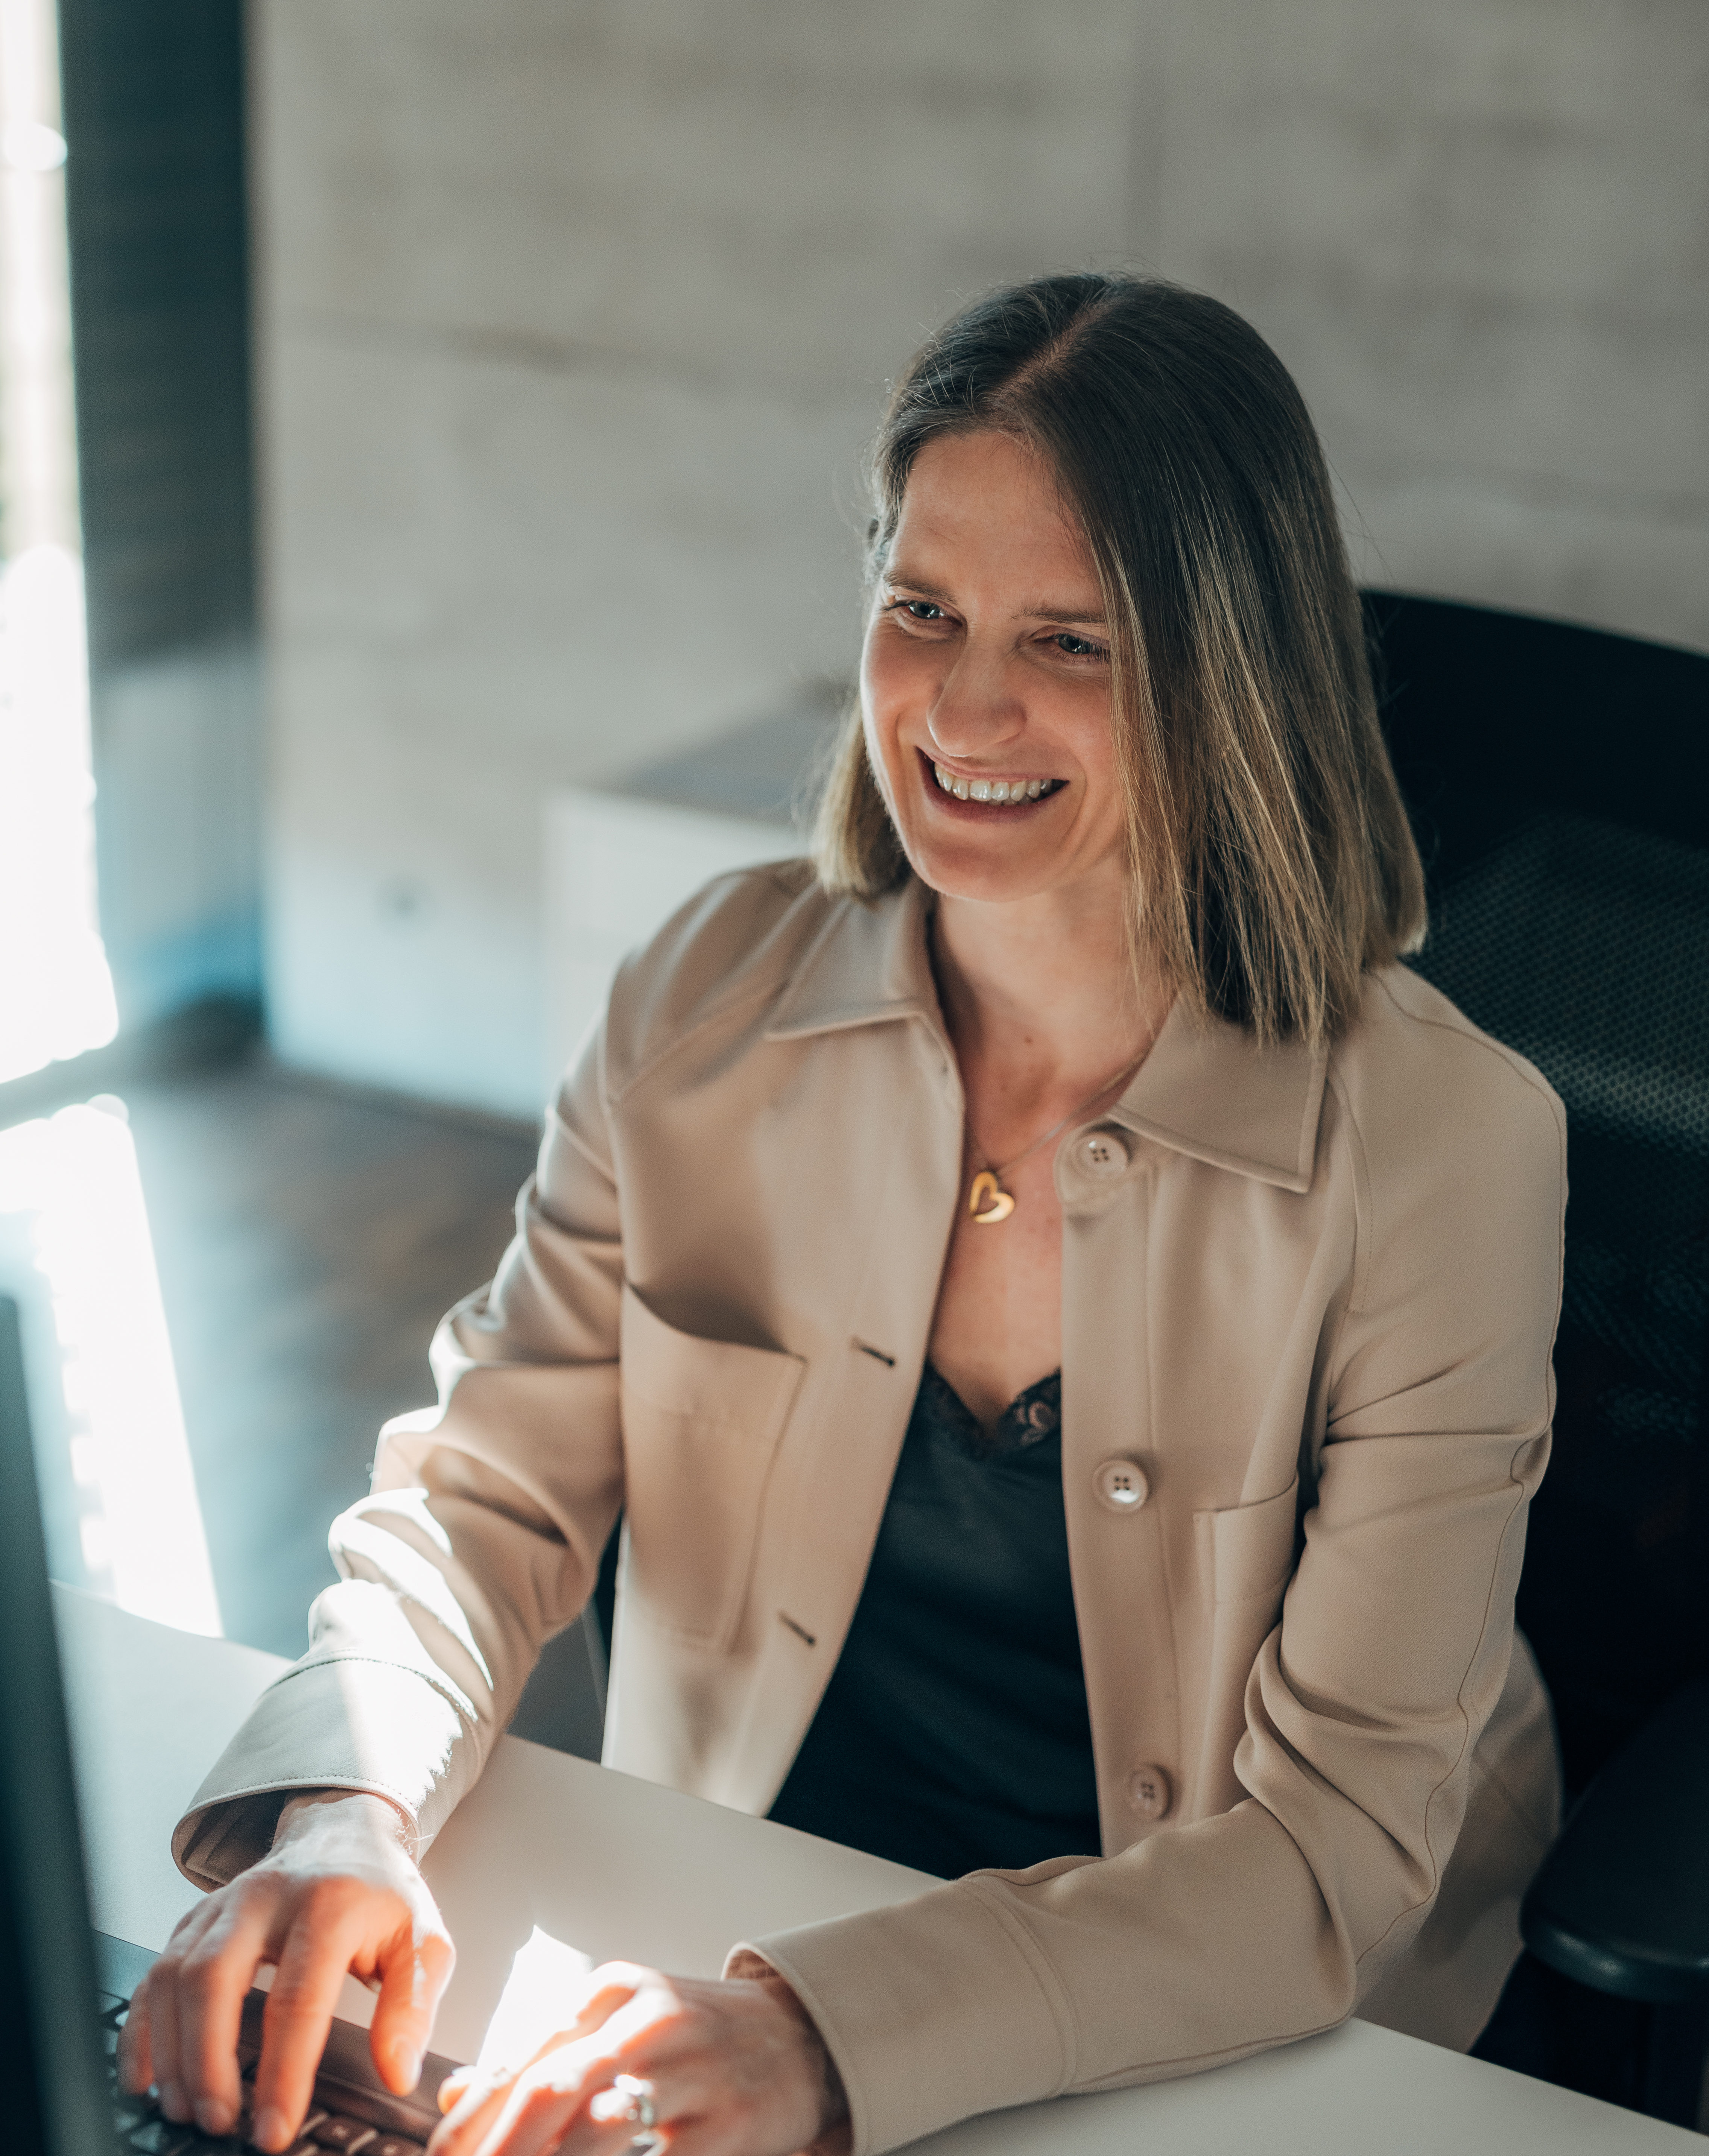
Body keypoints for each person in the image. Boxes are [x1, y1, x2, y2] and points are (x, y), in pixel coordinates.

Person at [120, 272, 1566, 2156]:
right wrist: (345, 1809)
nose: (964, 704)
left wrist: (823, 2035)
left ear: (1229, 676)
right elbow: (482, 1502)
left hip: (1217, 2030)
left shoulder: (1445, 1144)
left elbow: (1321, 1860)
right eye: (921, 610)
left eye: (1071, 639)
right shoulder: (698, 1000)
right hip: (731, 1922)